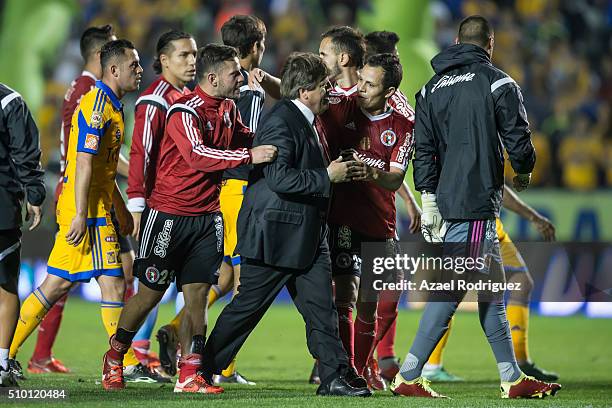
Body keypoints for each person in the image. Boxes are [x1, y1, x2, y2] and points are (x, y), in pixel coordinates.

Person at [390, 15, 561, 399]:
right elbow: (518, 137)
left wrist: (430, 199)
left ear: (455, 41)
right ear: (490, 44)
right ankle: (410, 374)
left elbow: (424, 150)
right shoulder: (497, 81)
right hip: (475, 201)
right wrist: (524, 171)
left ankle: (512, 377)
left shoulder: (430, 88)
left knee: (491, 291)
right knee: (454, 288)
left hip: (447, 202)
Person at [101, 44, 277, 393]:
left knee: (196, 297)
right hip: (168, 215)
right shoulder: (184, 110)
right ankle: (115, 356)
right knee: (149, 294)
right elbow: (198, 155)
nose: (240, 78)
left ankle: (189, 374)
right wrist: (249, 155)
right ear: (213, 78)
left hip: (207, 218)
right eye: (234, 74)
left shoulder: (228, 108)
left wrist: (278, 145)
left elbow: (248, 137)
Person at [199, 52, 371, 397]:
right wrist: (327, 175)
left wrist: (335, 166)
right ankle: (200, 369)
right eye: (325, 86)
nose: (329, 92)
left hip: (305, 235)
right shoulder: (282, 119)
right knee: (247, 310)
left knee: (322, 309)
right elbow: (279, 178)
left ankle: (335, 376)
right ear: (306, 90)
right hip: (275, 235)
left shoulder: (306, 119)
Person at [20, 25, 152, 383]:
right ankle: (9, 352)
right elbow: (83, 162)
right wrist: (80, 212)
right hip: (84, 207)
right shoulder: (94, 102)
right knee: (79, 284)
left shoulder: (111, 103)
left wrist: (120, 206)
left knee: (87, 283)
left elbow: (103, 167)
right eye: (134, 64)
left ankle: (116, 362)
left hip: (97, 204)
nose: (140, 70)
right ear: (110, 67)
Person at [154, 16, 267, 385]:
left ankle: (176, 330)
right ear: (256, 48)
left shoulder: (233, 91)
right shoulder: (246, 92)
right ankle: (224, 367)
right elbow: (242, 145)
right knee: (241, 279)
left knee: (223, 277)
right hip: (235, 192)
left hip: (219, 196)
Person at [322, 53, 414, 391]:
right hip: (342, 220)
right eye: (361, 80)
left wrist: (371, 171)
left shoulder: (404, 125)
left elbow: (393, 179)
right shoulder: (342, 104)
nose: (360, 89)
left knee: (372, 303)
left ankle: (362, 368)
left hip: (379, 221)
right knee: (344, 295)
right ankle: (348, 371)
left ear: (389, 92)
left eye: (370, 85)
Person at [420, 184, 559, 382]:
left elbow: (498, 186)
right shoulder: (464, 154)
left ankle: (520, 361)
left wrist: (533, 217)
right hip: (468, 222)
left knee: (521, 281)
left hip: (491, 225)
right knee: (453, 289)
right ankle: (430, 366)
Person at [126, 29, 197, 376]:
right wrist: (138, 205)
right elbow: (142, 152)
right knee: (152, 287)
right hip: (159, 208)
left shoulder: (185, 98)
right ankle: (133, 357)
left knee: (191, 286)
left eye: (194, 54)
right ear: (164, 60)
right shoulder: (156, 100)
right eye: (183, 55)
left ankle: (180, 360)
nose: (192, 61)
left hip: (188, 207)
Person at [0, 83, 45, 387]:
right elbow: (24, 151)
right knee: (5, 286)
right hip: (1, 204)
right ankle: (2, 363)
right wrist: (35, 193)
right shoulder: (10, 101)